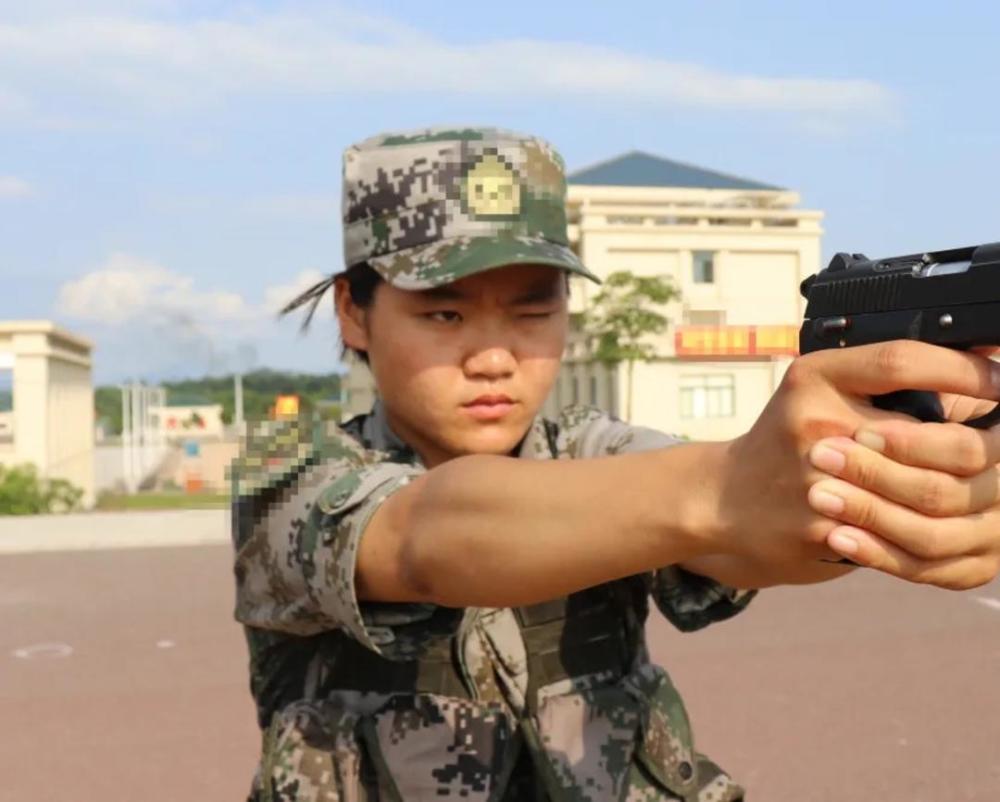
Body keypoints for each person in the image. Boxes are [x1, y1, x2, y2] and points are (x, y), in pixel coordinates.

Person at [229, 126, 1000, 801]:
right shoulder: (294, 470)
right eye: (444, 313)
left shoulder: (596, 449)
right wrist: (729, 484)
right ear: (352, 312)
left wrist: (881, 479)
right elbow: (423, 538)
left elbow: (745, 536)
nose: (495, 356)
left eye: (534, 310)